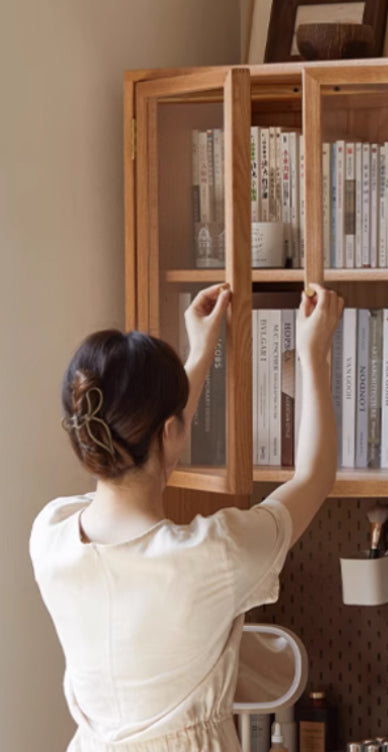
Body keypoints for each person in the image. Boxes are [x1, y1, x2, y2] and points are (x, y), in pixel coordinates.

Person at [29, 282, 344, 751]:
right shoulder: (213, 555)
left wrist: (199, 355)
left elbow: (147, 447)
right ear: (172, 429)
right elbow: (314, 478)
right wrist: (312, 356)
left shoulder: (50, 535)